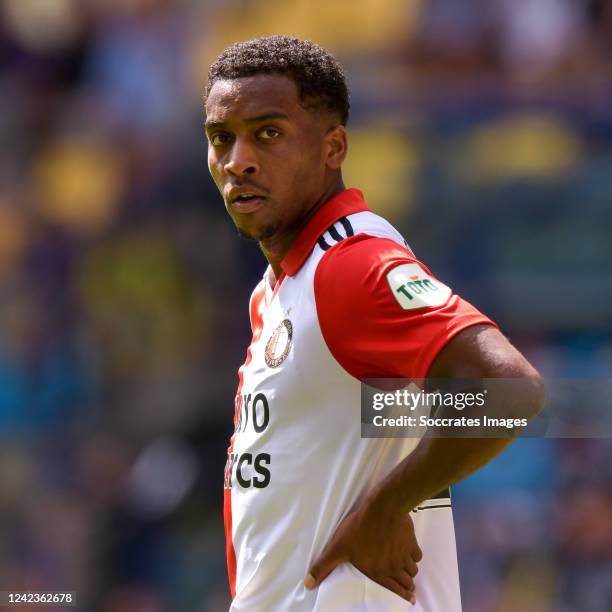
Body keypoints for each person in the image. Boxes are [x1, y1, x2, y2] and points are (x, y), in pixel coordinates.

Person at [204, 35, 545, 611]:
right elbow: (385, 413)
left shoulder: (350, 266)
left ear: (332, 147)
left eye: (267, 132)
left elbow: (507, 392)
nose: (238, 160)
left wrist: (385, 507)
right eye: (221, 138)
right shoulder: (281, 286)